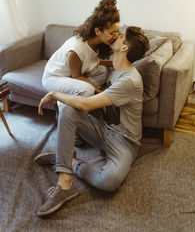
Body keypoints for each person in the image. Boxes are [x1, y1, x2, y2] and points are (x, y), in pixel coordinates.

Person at [35, 26, 150, 217]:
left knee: (108, 182)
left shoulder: (131, 80)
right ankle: (65, 184)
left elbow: (87, 104)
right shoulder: (115, 68)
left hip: (126, 142)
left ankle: (66, 161)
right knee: (68, 110)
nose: (116, 35)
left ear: (124, 48)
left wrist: (55, 93)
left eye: (121, 36)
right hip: (104, 130)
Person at [42, 0, 120, 97]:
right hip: (55, 77)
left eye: (117, 31)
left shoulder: (96, 43)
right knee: (88, 89)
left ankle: (78, 95)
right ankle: (65, 102)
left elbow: (90, 61)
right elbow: (77, 76)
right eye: (112, 33)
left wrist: (113, 63)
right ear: (97, 31)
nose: (116, 36)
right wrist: (99, 92)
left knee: (102, 70)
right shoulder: (76, 50)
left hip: (73, 74)